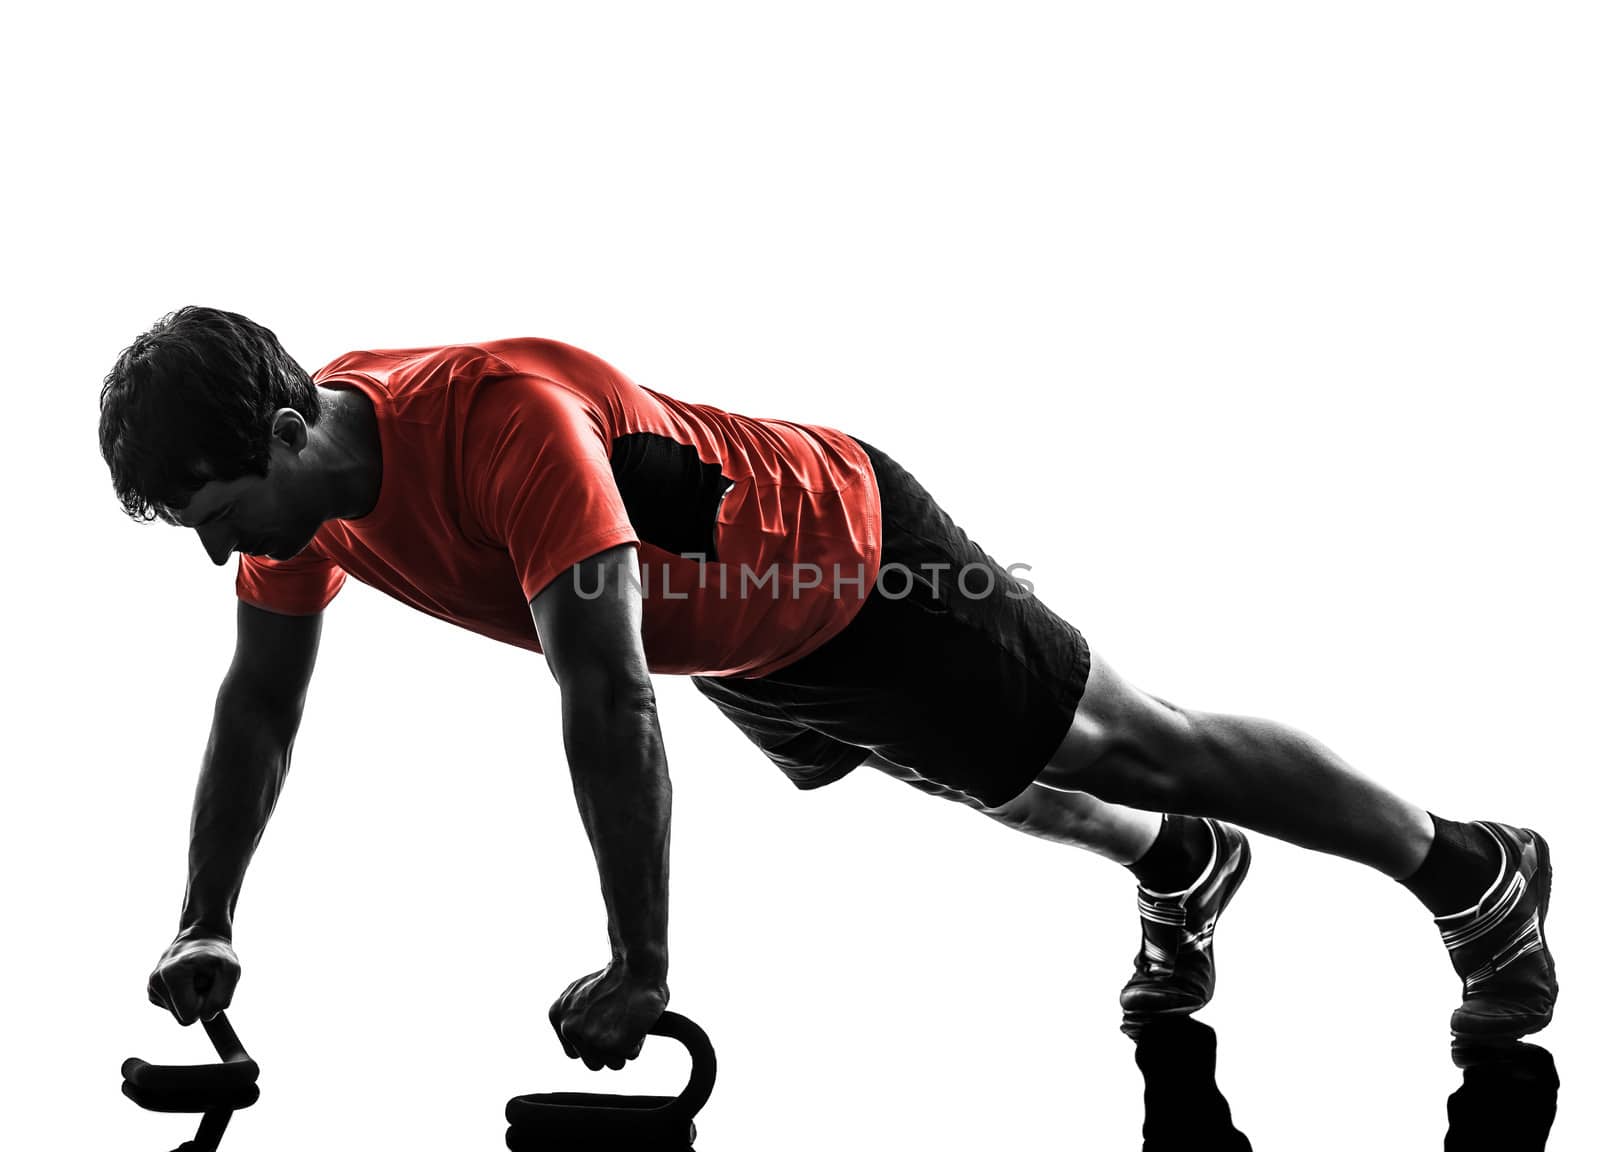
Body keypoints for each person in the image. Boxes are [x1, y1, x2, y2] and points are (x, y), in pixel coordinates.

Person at [99, 307, 1557, 1072]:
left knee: (1139, 742)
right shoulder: (314, 500)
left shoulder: (500, 426)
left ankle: (1469, 869)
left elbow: (607, 703)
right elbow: (261, 706)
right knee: (984, 782)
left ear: (289, 427)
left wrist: (644, 971)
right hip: (740, 634)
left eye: (222, 507)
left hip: (856, 557)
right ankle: (1182, 872)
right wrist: (203, 919)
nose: (226, 547)